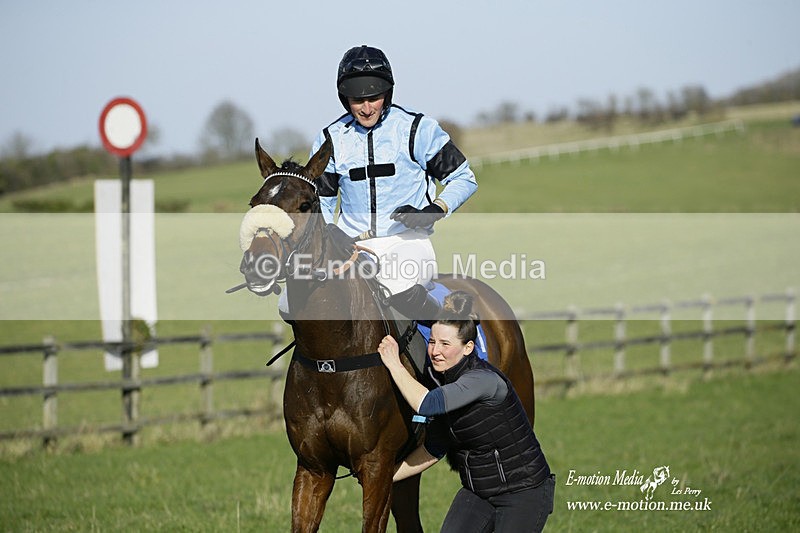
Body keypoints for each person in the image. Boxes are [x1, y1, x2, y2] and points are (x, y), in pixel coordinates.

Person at [307, 44, 478, 320]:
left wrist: (433, 211)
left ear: (387, 93)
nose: (365, 108)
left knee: (396, 285)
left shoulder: (417, 129)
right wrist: (328, 230)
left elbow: (464, 178)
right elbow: (323, 200)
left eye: (373, 98)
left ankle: (451, 330)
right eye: (356, 100)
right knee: (291, 301)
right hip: (349, 248)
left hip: (407, 242)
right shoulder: (330, 139)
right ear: (344, 99)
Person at [377, 291, 555, 532]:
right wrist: (387, 476)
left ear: (468, 347)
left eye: (445, 344)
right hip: (478, 493)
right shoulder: (442, 382)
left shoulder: (482, 380)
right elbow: (435, 447)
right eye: (432, 342)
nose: (435, 351)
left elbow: (427, 403)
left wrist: (393, 363)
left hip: (523, 493)